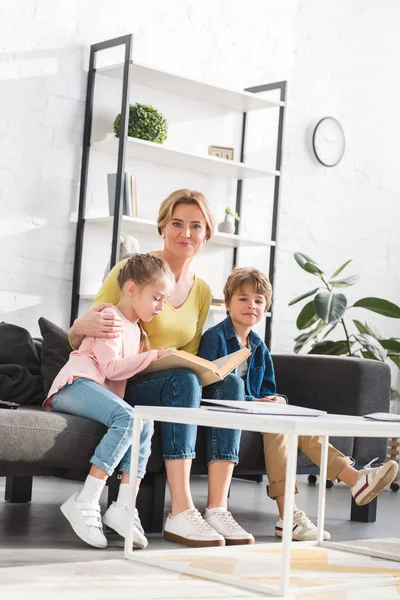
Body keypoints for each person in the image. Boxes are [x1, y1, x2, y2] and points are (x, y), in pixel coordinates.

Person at [68, 189, 254, 547]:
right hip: (125, 380)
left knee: (230, 385)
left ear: (206, 235)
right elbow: (87, 331)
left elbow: (190, 351)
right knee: (183, 380)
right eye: (177, 223)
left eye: (195, 226)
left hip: (170, 377)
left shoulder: (201, 291)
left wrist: (208, 370)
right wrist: (78, 329)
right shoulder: (133, 270)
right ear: (162, 228)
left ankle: (217, 508)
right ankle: (181, 510)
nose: (186, 233)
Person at [198, 267, 399, 541]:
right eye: (243, 299)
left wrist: (277, 399)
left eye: (258, 301)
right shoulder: (214, 338)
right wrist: (253, 401)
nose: (251, 306)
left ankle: (338, 489)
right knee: (279, 426)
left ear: (266, 307)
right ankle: (307, 506)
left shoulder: (258, 346)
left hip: (256, 414)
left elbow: (268, 389)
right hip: (224, 414)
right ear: (228, 302)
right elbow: (210, 385)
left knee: (288, 424)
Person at [44, 254, 174, 549]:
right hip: (74, 386)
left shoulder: (137, 330)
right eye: (156, 298)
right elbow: (111, 368)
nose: (161, 307)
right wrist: (153, 356)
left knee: (145, 423)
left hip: (95, 391)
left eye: (164, 300)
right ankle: (86, 499)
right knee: (129, 418)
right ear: (131, 290)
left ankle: (124, 506)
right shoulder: (110, 318)